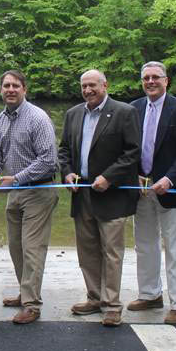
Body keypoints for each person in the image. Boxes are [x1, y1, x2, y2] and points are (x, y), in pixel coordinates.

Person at [0, 70, 59, 325]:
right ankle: (25, 293)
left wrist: (17, 178)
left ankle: (32, 306)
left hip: (39, 191)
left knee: (32, 250)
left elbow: (48, 160)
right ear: (0, 90)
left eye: (15, 85)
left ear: (24, 89)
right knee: (16, 248)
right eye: (6, 86)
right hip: (15, 192)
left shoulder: (37, 118)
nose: (10, 89)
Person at [58, 69, 140, 327]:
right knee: (88, 252)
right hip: (81, 195)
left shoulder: (124, 112)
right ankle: (94, 298)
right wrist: (68, 172)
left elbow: (132, 152)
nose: (88, 90)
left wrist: (109, 177)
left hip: (111, 195)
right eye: (84, 86)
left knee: (112, 253)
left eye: (92, 85)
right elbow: (64, 150)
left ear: (105, 84)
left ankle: (112, 305)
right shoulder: (73, 114)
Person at [127, 62, 176, 325]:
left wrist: (169, 179)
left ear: (166, 81)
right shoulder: (133, 108)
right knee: (144, 245)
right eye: (146, 78)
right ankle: (149, 294)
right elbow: (129, 148)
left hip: (172, 189)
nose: (150, 82)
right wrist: (133, 174)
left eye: (156, 77)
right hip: (141, 189)